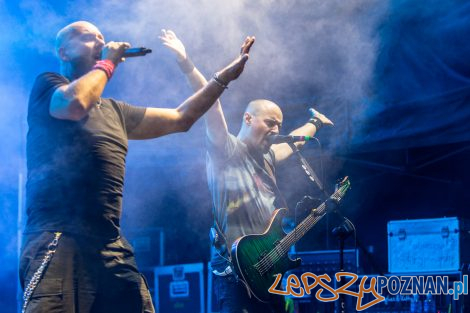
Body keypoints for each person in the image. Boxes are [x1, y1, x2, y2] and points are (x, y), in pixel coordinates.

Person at [20, 21, 254, 313]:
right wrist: (108, 61)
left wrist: (224, 77)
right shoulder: (49, 86)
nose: (100, 41)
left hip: (109, 243)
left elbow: (182, 118)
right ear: (64, 52)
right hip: (58, 237)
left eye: (102, 37)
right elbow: (75, 103)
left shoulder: (117, 111)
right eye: (88, 37)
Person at [161, 30, 333, 312]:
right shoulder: (225, 149)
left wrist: (316, 123)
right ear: (248, 118)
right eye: (270, 122)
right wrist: (185, 61)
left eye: (279, 124)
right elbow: (211, 103)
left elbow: (295, 141)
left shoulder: (269, 155)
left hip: (269, 268)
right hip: (234, 270)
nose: (276, 130)